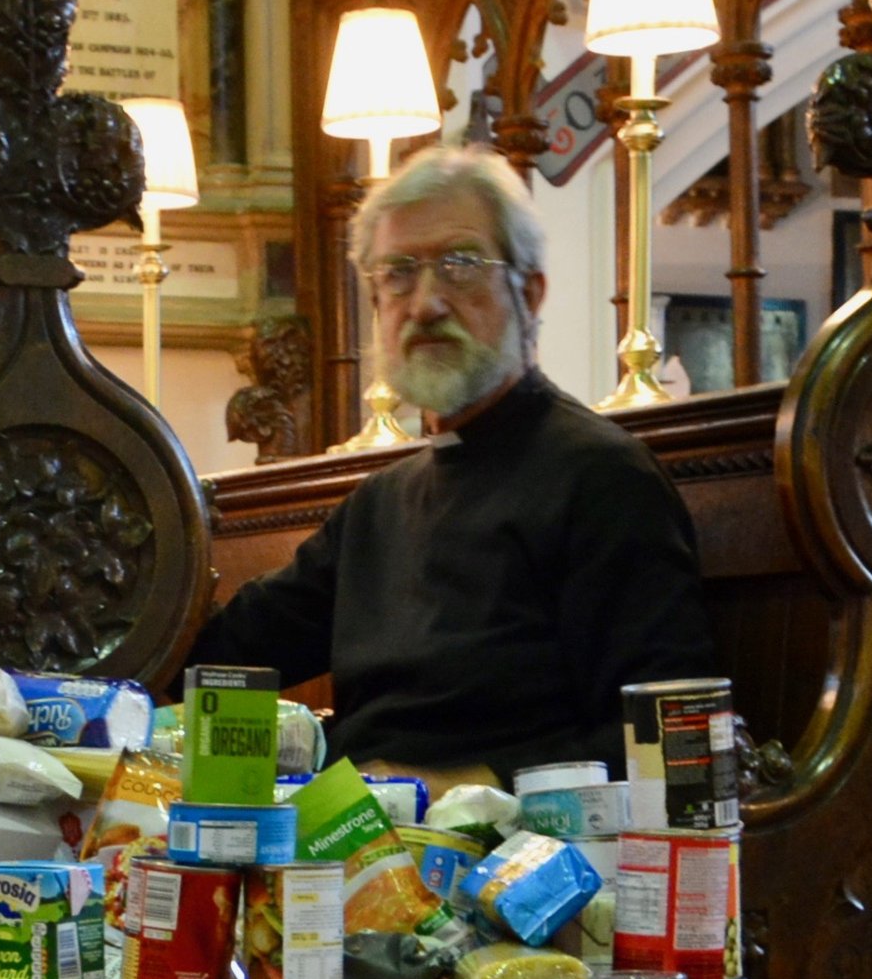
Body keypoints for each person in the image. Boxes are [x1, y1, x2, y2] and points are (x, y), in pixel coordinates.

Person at [184, 145, 716, 792]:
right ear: (377, 305)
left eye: (461, 265)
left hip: (512, 868)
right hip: (349, 848)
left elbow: (666, 742)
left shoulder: (604, 479)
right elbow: (219, 652)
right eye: (399, 274)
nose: (427, 302)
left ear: (531, 290)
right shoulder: (377, 506)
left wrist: (454, 788)